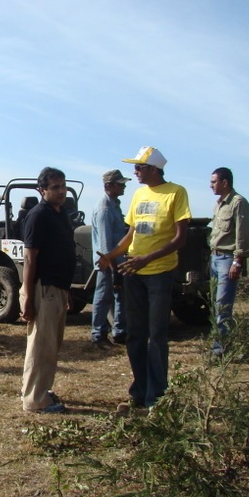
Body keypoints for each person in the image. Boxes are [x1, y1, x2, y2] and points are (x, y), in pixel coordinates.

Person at [97, 147, 191, 409]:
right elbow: (131, 235)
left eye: (138, 167)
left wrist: (146, 259)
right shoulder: (138, 194)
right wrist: (111, 256)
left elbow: (179, 239)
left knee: (156, 335)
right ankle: (140, 390)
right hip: (133, 272)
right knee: (135, 334)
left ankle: (157, 396)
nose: (135, 172)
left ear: (153, 168)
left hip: (159, 274)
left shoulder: (176, 192)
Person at [20, 167, 76, 414]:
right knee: (41, 345)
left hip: (59, 288)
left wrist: (68, 291)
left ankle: (41, 389)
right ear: (42, 190)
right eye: (55, 187)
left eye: (63, 186)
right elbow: (30, 259)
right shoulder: (38, 216)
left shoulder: (61, 213)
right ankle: (35, 400)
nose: (61, 191)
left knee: (51, 345)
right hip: (45, 288)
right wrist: (28, 297)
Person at [209, 167, 249, 355]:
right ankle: (219, 343)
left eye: (214, 182)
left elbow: (242, 234)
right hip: (215, 257)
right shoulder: (219, 204)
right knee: (215, 304)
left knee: (223, 305)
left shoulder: (238, 203)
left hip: (227, 259)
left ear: (225, 182)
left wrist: (237, 261)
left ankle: (220, 349)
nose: (211, 185)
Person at [90, 169, 130, 350]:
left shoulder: (114, 205)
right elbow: (106, 246)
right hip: (107, 263)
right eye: (120, 184)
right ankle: (98, 335)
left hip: (117, 261)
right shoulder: (104, 209)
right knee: (104, 297)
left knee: (120, 297)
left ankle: (119, 332)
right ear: (108, 186)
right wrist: (114, 269)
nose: (124, 186)